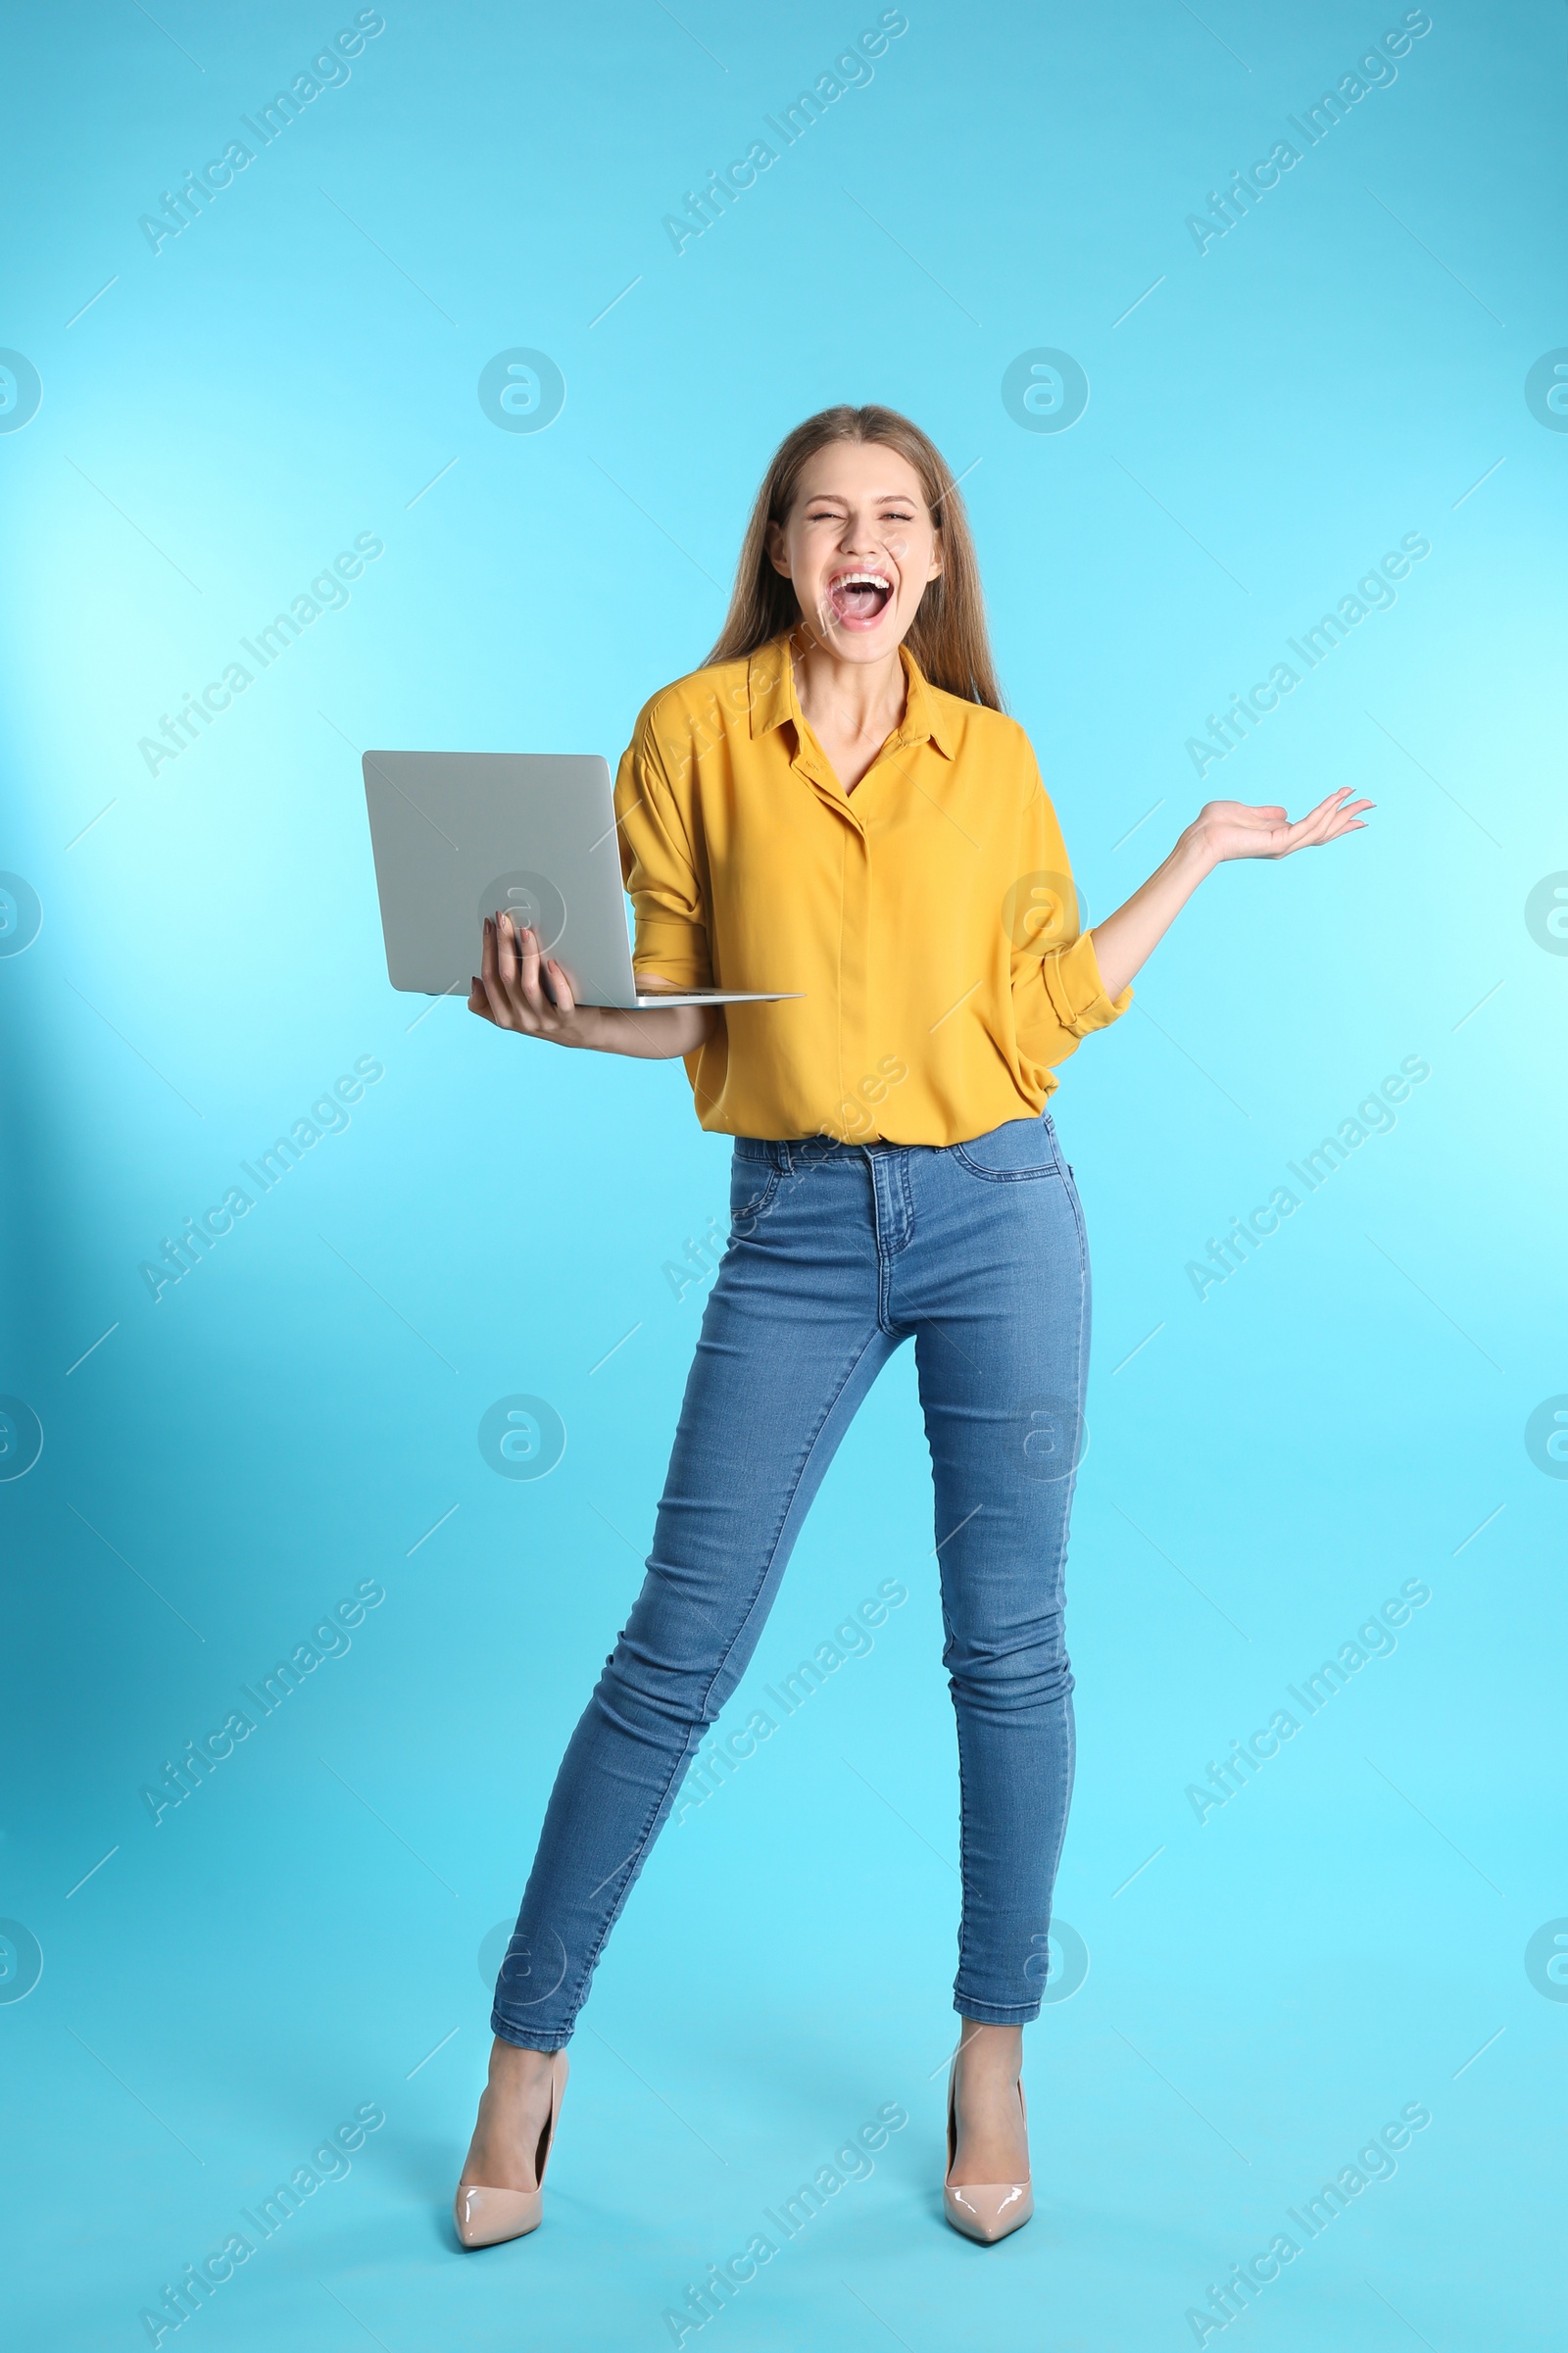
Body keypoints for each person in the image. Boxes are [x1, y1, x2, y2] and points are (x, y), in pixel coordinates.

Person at [454, 404, 1370, 2250]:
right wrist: (561, 1019)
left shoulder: (992, 758)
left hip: (1002, 1214)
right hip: (794, 1223)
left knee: (1008, 1653)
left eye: (896, 516)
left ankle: (993, 2045)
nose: (860, 542)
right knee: (673, 1652)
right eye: (824, 517)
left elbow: (1041, 1015)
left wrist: (1195, 856)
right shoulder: (692, 735)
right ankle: (525, 2056)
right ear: (782, 553)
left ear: (934, 560)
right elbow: (695, 1012)